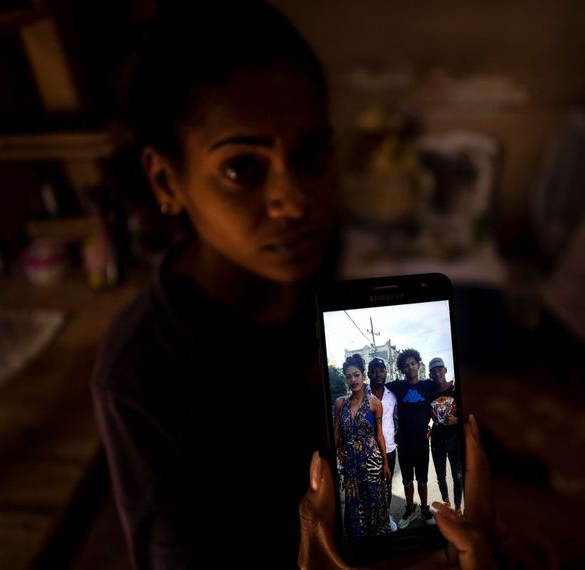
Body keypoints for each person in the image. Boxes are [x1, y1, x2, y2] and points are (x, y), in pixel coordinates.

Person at [91, 2, 496, 568]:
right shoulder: (142, 373)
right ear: (166, 180)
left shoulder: (319, 273)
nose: (296, 201)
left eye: (312, 156)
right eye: (242, 168)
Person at [334, 354, 391, 538]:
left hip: (372, 462)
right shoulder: (340, 403)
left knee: (374, 504)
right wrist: (337, 448)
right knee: (353, 504)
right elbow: (336, 431)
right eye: (348, 376)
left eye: (356, 375)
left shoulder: (375, 403)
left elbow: (379, 435)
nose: (352, 380)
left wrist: (386, 463)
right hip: (350, 465)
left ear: (363, 375)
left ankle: (376, 545)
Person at [387, 348, 437, 528]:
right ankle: (409, 508)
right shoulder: (397, 387)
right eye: (406, 366)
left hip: (422, 442)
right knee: (407, 479)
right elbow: (377, 390)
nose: (410, 368)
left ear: (418, 364)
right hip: (404, 442)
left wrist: (430, 426)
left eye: (413, 364)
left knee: (422, 479)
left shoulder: (428, 386)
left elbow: (439, 404)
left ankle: (424, 509)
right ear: (402, 369)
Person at [428, 357, 463, 516]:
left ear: (445, 370)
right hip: (437, 440)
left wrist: (457, 420)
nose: (437, 372)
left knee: (458, 476)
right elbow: (424, 413)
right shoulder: (429, 393)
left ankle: (458, 508)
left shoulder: (456, 389)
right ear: (430, 374)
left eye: (439, 369)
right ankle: (446, 503)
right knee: (440, 476)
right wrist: (426, 427)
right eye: (434, 371)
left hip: (455, 439)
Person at [368, 357, 398, 531]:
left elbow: (397, 418)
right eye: (374, 370)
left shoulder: (392, 396)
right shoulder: (363, 395)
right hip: (369, 451)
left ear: (386, 372)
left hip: (390, 449)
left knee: (387, 485)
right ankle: (373, 519)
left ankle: (386, 516)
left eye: (381, 370)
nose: (378, 373)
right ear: (368, 373)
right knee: (371, 486)